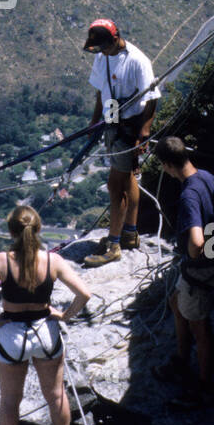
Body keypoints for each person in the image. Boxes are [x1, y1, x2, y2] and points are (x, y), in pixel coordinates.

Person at [0, 205, 92, 425]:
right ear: (37, 229)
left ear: (11, 231)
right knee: (56, 395)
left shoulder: (3, 261)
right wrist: (64, 316)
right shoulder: (52, 261)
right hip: (45, 332)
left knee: (10, 401)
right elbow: (84, 293)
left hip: (12, 335)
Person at [82, 18, 161, 265]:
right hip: (111, 123)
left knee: (115, 185)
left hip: (129, 128)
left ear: (115, 39)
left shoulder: (138, 61)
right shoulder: (102, 56)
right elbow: (100, 91)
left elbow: (152, 98)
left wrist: (144, 132)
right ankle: (129, 233)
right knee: (126, 180)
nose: (101, 51)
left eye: (104, 46)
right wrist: (95, 121)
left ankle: (113, 245)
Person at [153, 136, 214, 406]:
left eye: (163, 165)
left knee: (200, 327)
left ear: (169, 164)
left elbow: (196, 242)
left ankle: (204, 387)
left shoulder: (188, 196)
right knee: (176, 302)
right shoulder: (206, 176)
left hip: (200, 270)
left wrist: (195, 252)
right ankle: (182, 361)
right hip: (208, 262)